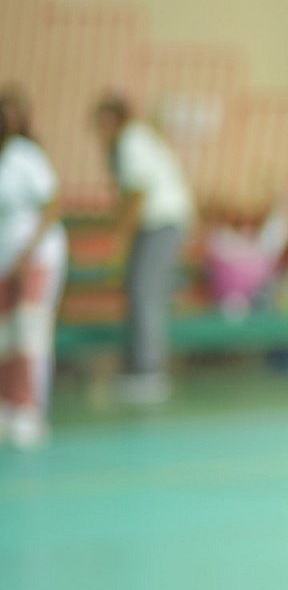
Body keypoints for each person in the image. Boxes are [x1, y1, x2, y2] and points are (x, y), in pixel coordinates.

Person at [92, 93, 195, 403]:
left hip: (161, 222)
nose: (100, 130)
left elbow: (137, 194)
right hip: (159, 222)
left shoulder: (131, 140)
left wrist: (120, 241)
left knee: (144, 290)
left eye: (104, 122)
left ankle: (149, 371)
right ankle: (139, 365)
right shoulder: (131, 141)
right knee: (139, 288)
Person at [0, 87, 67, 448]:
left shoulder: (26, 155)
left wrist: (26, 253)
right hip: (4, 260)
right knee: (5, 334)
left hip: (37, 256)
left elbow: (52, 204)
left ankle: (31, 408)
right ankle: (8, 403)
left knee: (30, 330)